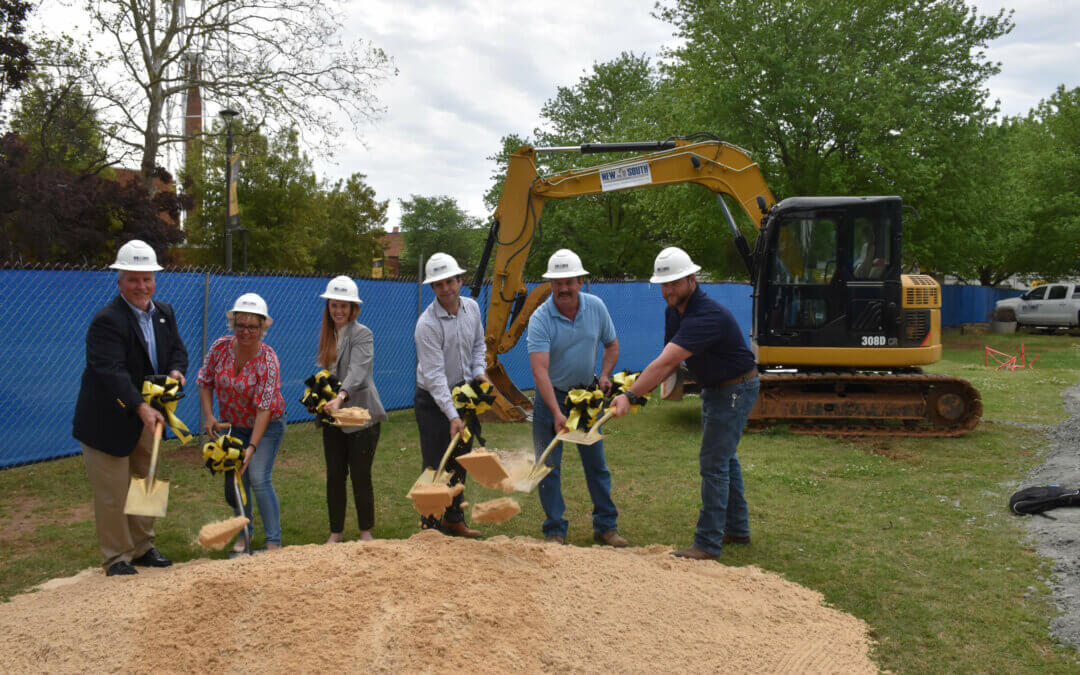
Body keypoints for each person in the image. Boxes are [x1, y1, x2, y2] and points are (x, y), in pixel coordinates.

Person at [611, 247, 759, 561]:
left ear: (692, 279)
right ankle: (737, 529)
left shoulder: (707, 314)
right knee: (725, 459)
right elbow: (671, 357)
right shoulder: (673, 310)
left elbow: (666, 362)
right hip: (715, 388)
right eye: (664, 285)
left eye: (675, 283)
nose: (668, 291)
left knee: (714, 463)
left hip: (735, 389)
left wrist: (631, 395)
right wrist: (646, 388)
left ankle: (707, 543)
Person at [73, 239, 188, 576]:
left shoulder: (165, 313)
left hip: (149, 418)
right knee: (113, 492)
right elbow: (110, 372)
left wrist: (177, 372)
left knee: (146, 481)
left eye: (147, 278)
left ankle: (143, 546)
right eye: (133, 279)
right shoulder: (107, 320)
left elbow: (177, 351)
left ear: (155, 279)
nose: (142, 286)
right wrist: (139, 406)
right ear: (119, 280)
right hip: (108, 419)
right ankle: (117, 556)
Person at [527, 248, 626, 548]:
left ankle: (606, 527)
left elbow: (612, 345)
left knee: (596, 465)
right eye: (558, 282)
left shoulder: (596, 307)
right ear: (551, 285)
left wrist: (605, 376)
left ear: (580, 281)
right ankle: (555, 530)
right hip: (550, 400)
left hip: (585, 399)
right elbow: (540, 372)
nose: (564, 288)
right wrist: (557, 412)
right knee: (548, 467)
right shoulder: (540, 318)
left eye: (569, 281)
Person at [197, 293, 287, 553]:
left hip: (267, 425)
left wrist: (252, 447)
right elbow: (204, 381)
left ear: (263, 328)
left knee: (258, 477)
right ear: (233, 324)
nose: (246, 331)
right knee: (237, 481)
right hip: (234, 425)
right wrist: (209, 415)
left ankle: (273, 544)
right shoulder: (220, 348)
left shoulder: (268, 361)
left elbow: (264, 409)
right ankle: (243, 535)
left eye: (253, 327)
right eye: (241, 325)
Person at [413, 252, 487, 537]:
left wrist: (479, 372)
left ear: (460, 280)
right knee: (436, 463)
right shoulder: (427, 324)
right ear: (433, 288)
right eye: (439, 284)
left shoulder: (472, 309)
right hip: (433, 400)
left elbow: (479, 346)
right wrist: (452, 415)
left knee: (461, 460)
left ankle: (454, 519)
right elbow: (434, 377)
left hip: (465, 394)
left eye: (450, 281)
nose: (446, 288)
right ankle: (430, 526)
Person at [316, 276, 387, 544]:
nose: (338, 311)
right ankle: (336, 532)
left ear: (353, 308)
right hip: (333, 417)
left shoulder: (363, 333)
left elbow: (359, 371)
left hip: (361, 417)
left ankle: (365, 531)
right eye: (334, 305)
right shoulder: (328, 334)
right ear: (329, 307)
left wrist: (341, 396)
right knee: (335, 475)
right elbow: (329, 373)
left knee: (360, 474)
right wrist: (321, 394)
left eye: (344, 306)